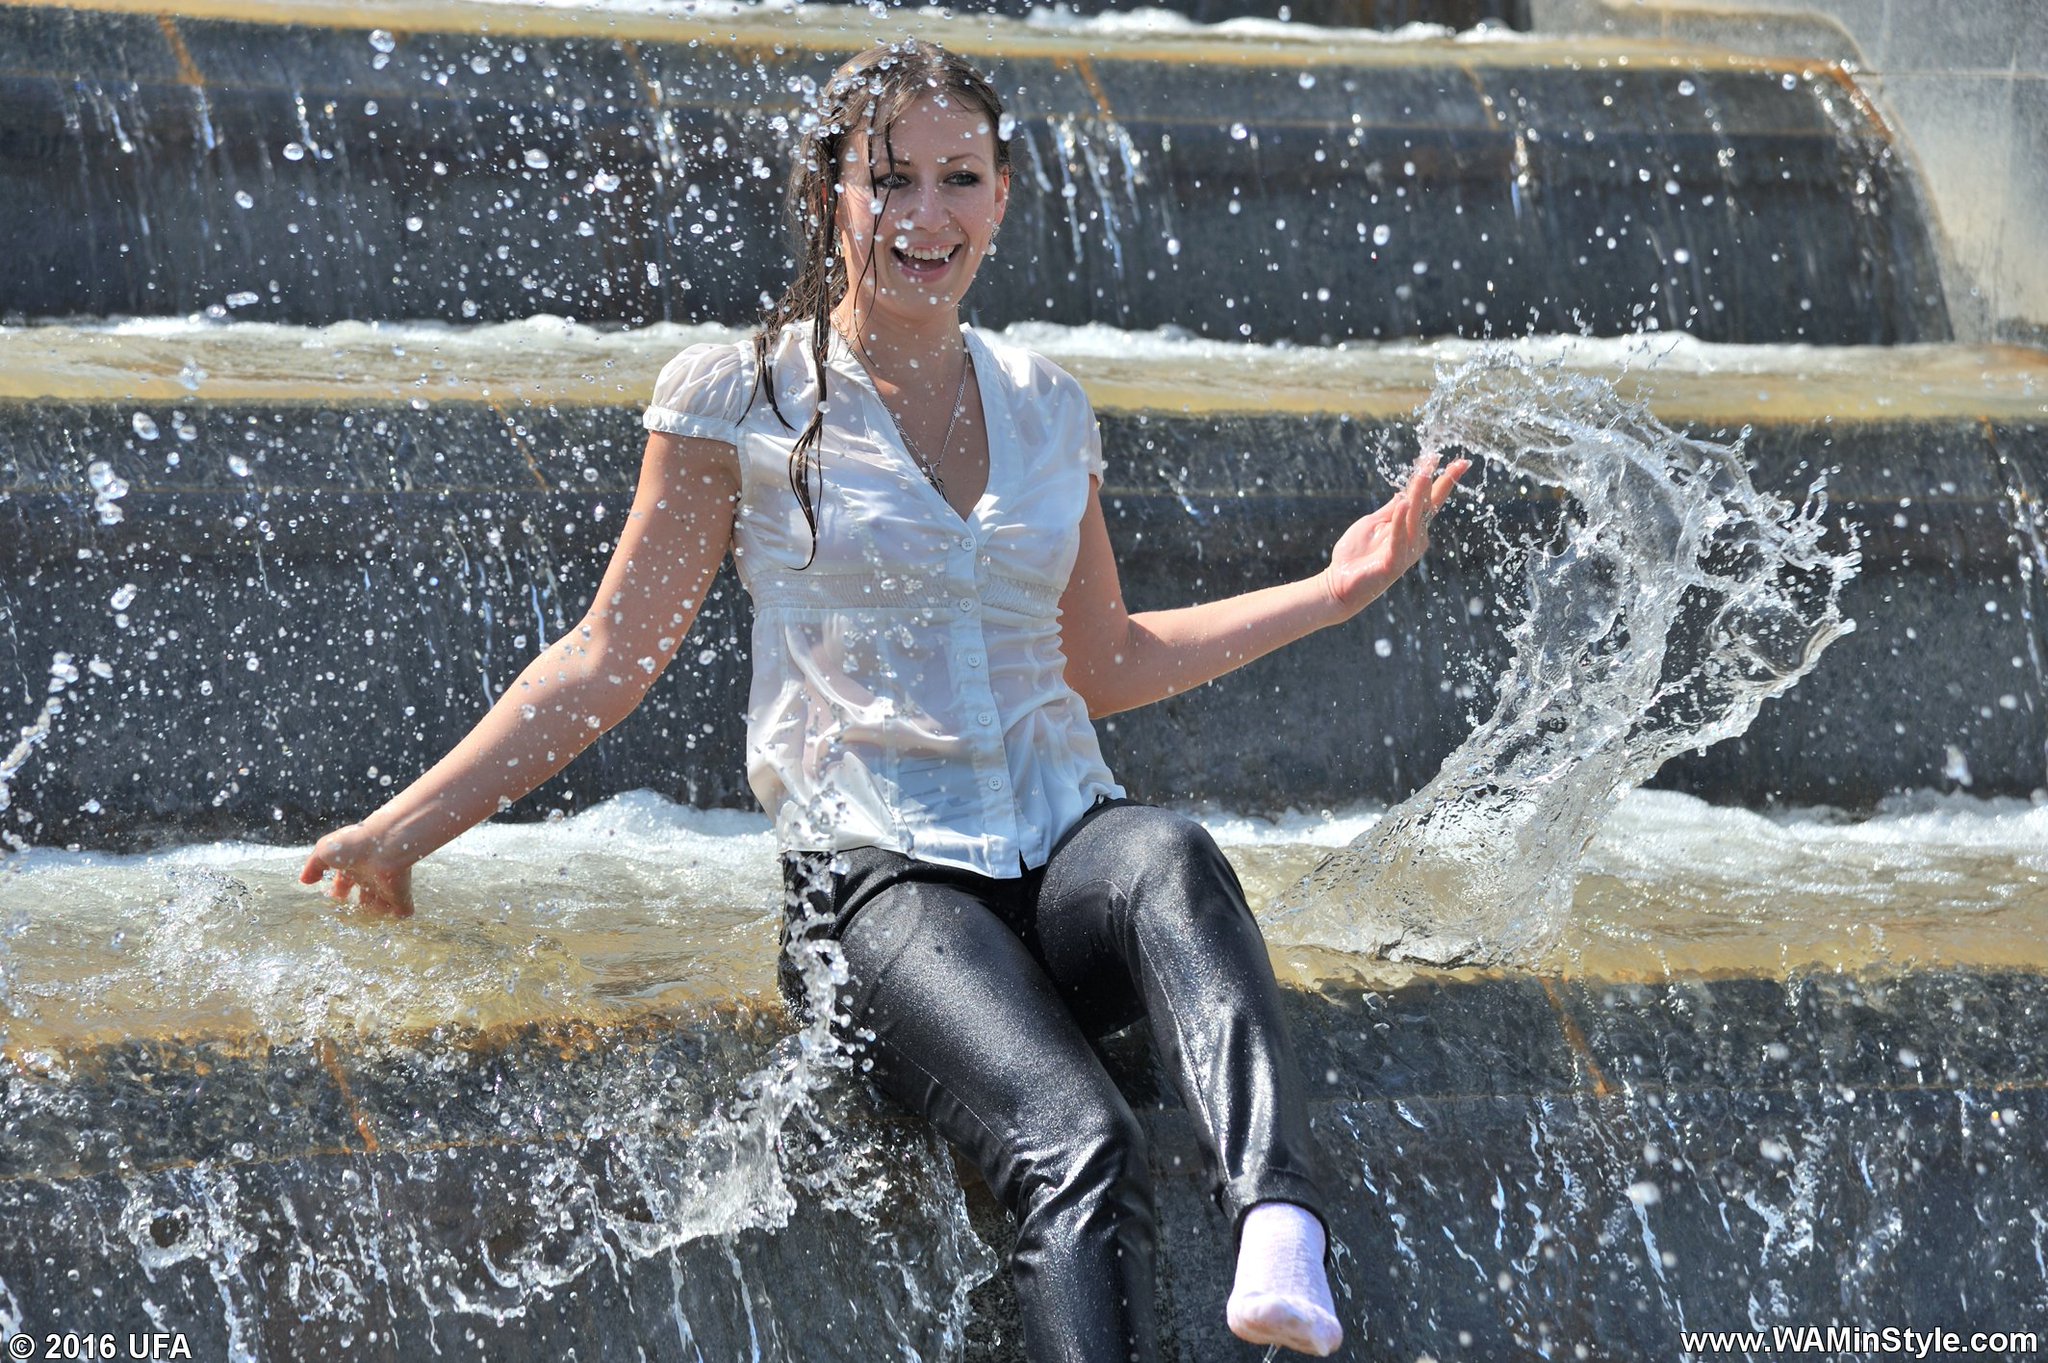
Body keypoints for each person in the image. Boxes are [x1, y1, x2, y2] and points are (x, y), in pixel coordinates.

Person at [300, 38, 1466, 1362]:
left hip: (1062, 855)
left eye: (958, 179)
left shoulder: (1047, 404)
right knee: (1079, 1139)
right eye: (889, 180)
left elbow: (1107, 661)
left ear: (1003, 198)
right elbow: (607, 657)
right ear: (831, 199)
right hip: (877, 889)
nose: (926, 215)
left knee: (1171, 856)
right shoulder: (738, 394)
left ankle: (1277, 1220)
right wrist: (405, 831)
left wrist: (1332, 590)